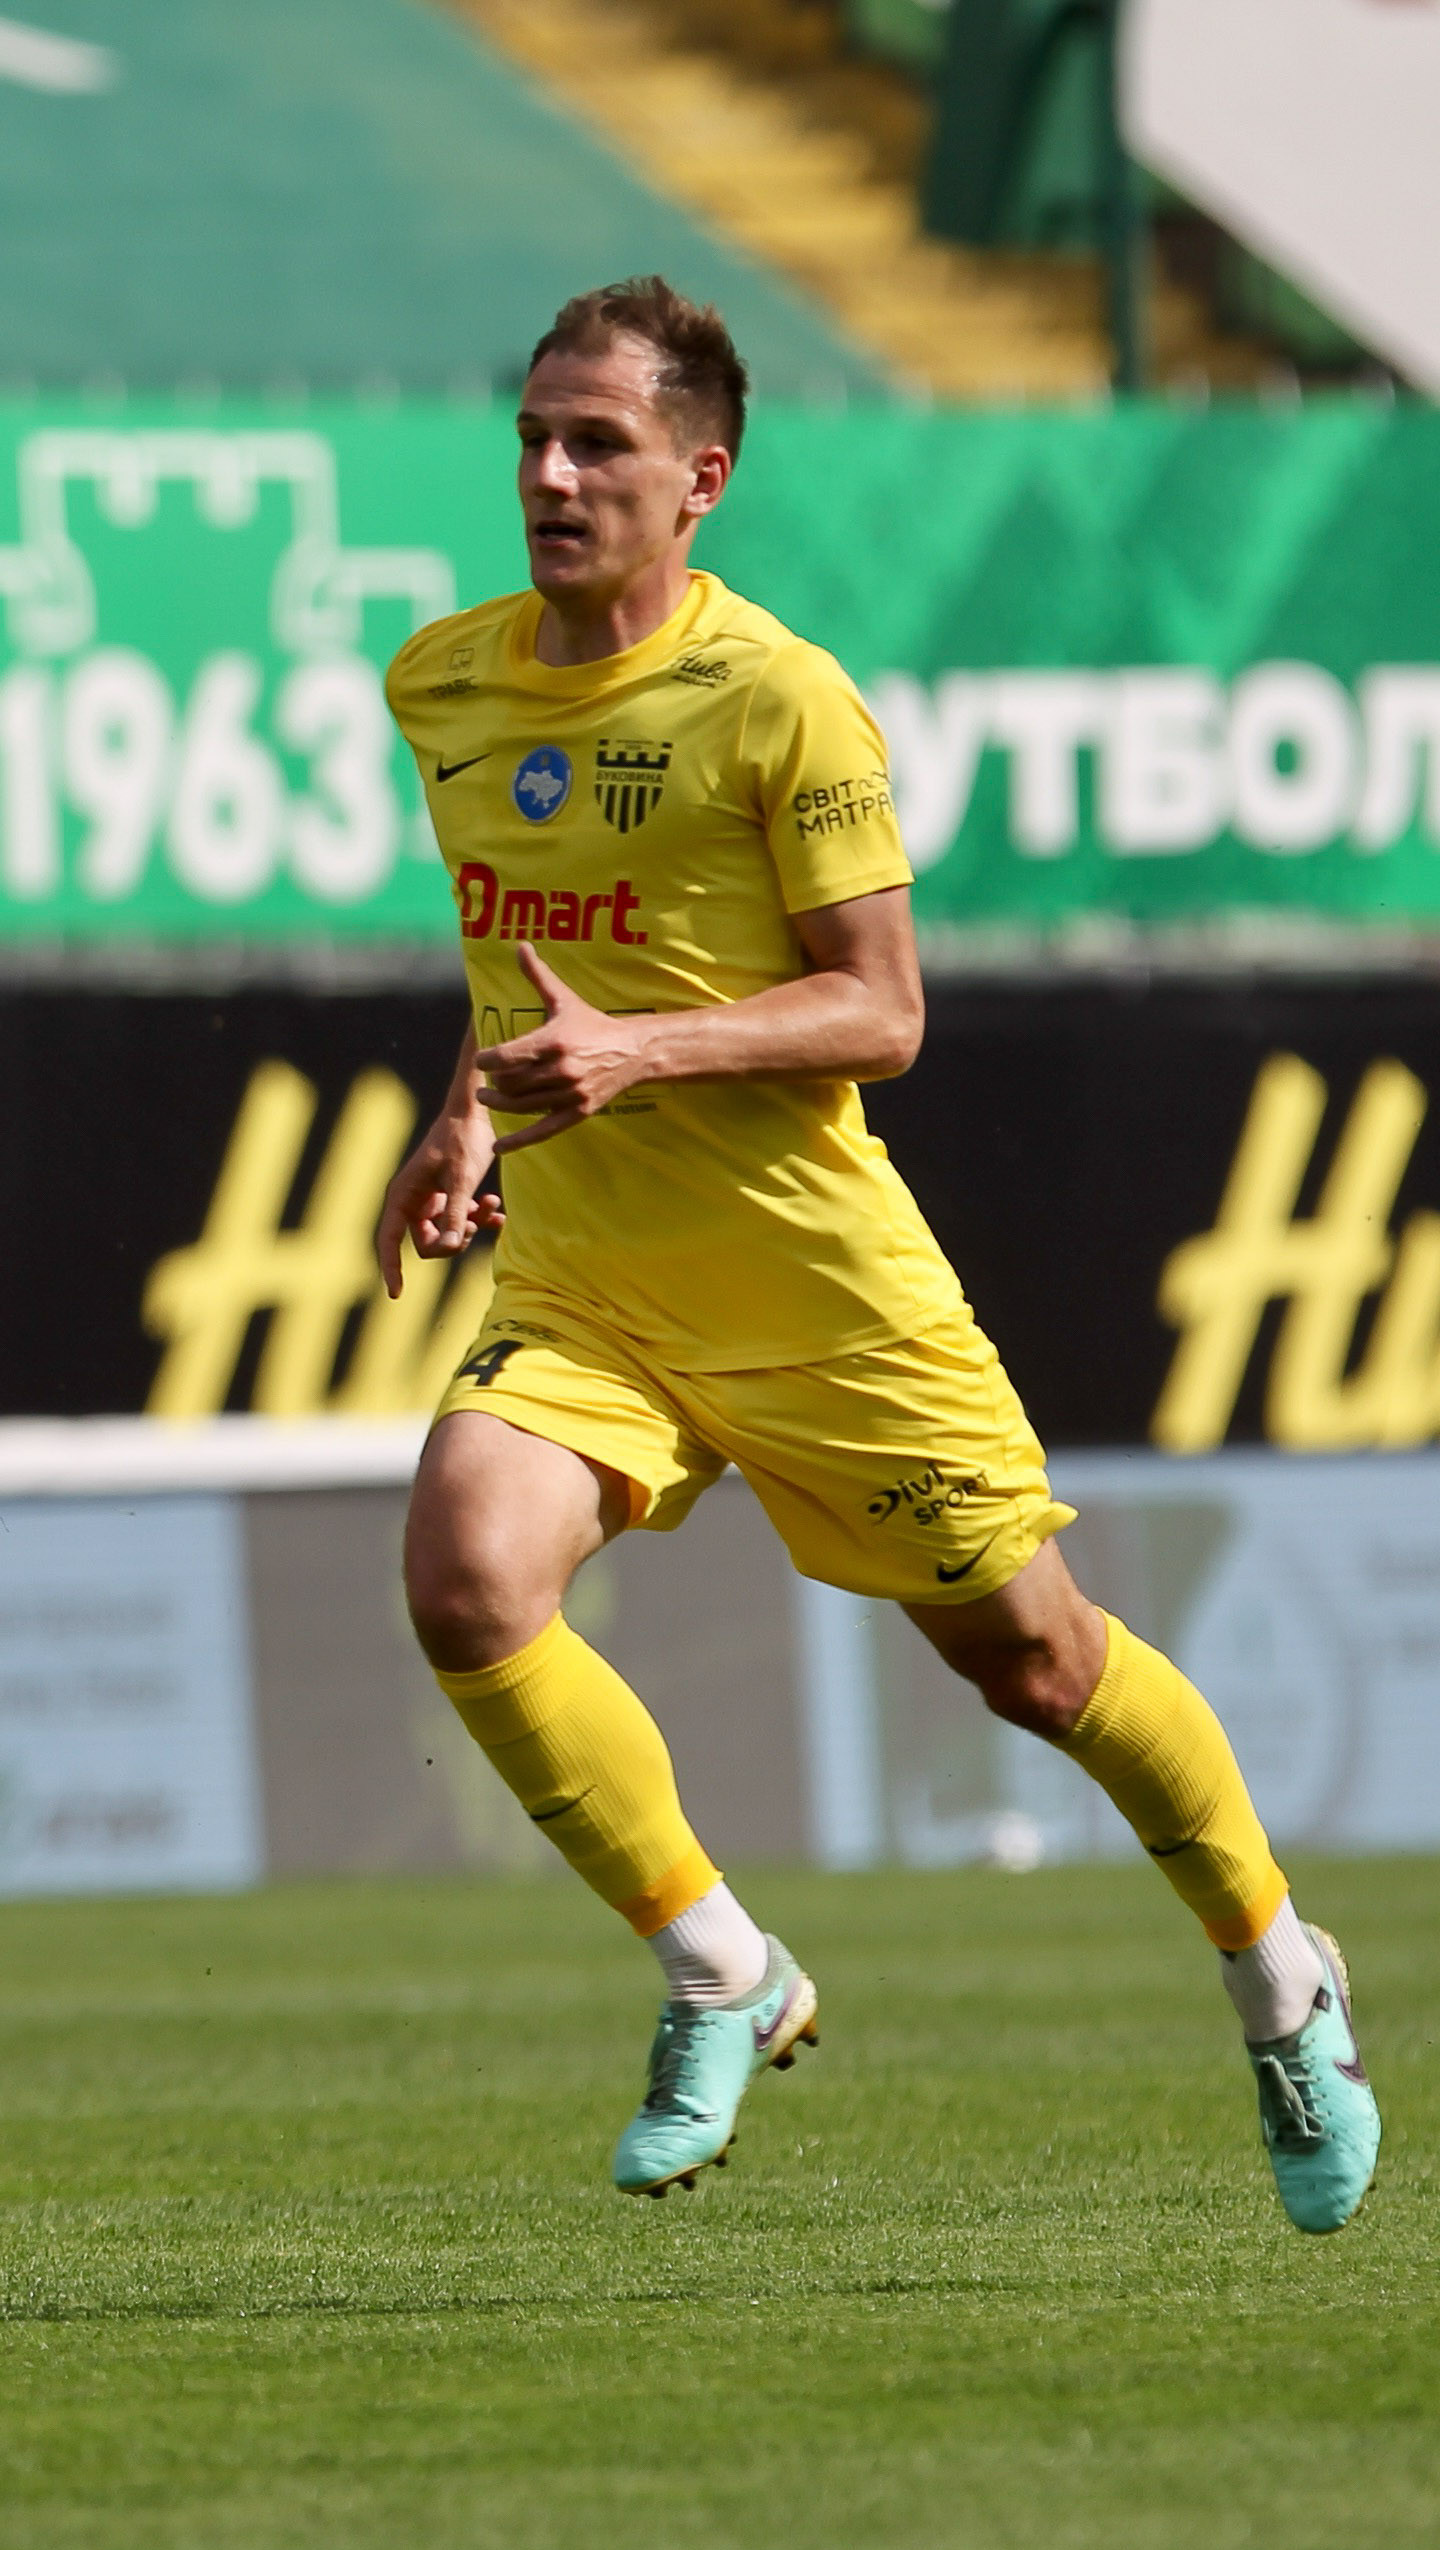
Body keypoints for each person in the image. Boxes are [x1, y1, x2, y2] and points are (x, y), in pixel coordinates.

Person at [373, 280, 1379, 2230]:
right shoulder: (444, 682)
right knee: (465, 1573)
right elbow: (521, 950)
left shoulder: (780, 699)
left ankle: (1279, 1974)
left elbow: (882, 1010)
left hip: (816, 1290)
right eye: (531, 438)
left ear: (699, 479)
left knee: (1039, 1665)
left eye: (596, 444)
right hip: (591, 1283)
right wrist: (470, 1111)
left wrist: (634, 1052)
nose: (550, 476)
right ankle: (718, 1966)